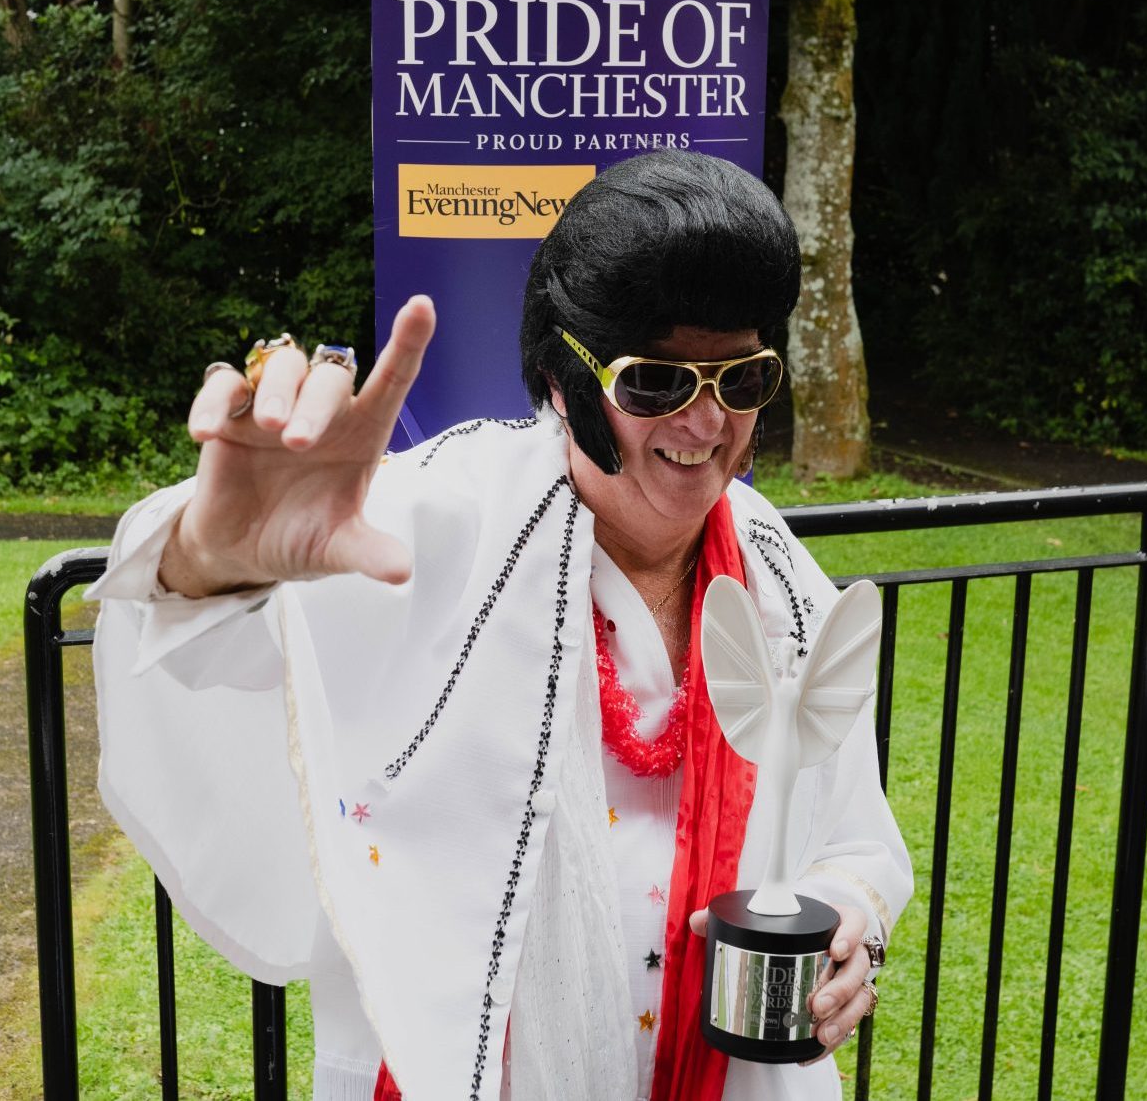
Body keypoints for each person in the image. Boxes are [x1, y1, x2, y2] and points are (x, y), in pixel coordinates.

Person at [89, 149, 912, 1101]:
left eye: (741, 379)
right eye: (655, 383)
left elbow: (850, 834)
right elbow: (205, 648)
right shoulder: (438, 521)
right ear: (564, 383)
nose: (705, 421)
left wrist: (852, 920)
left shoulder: (775, 569)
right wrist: (213, 558)